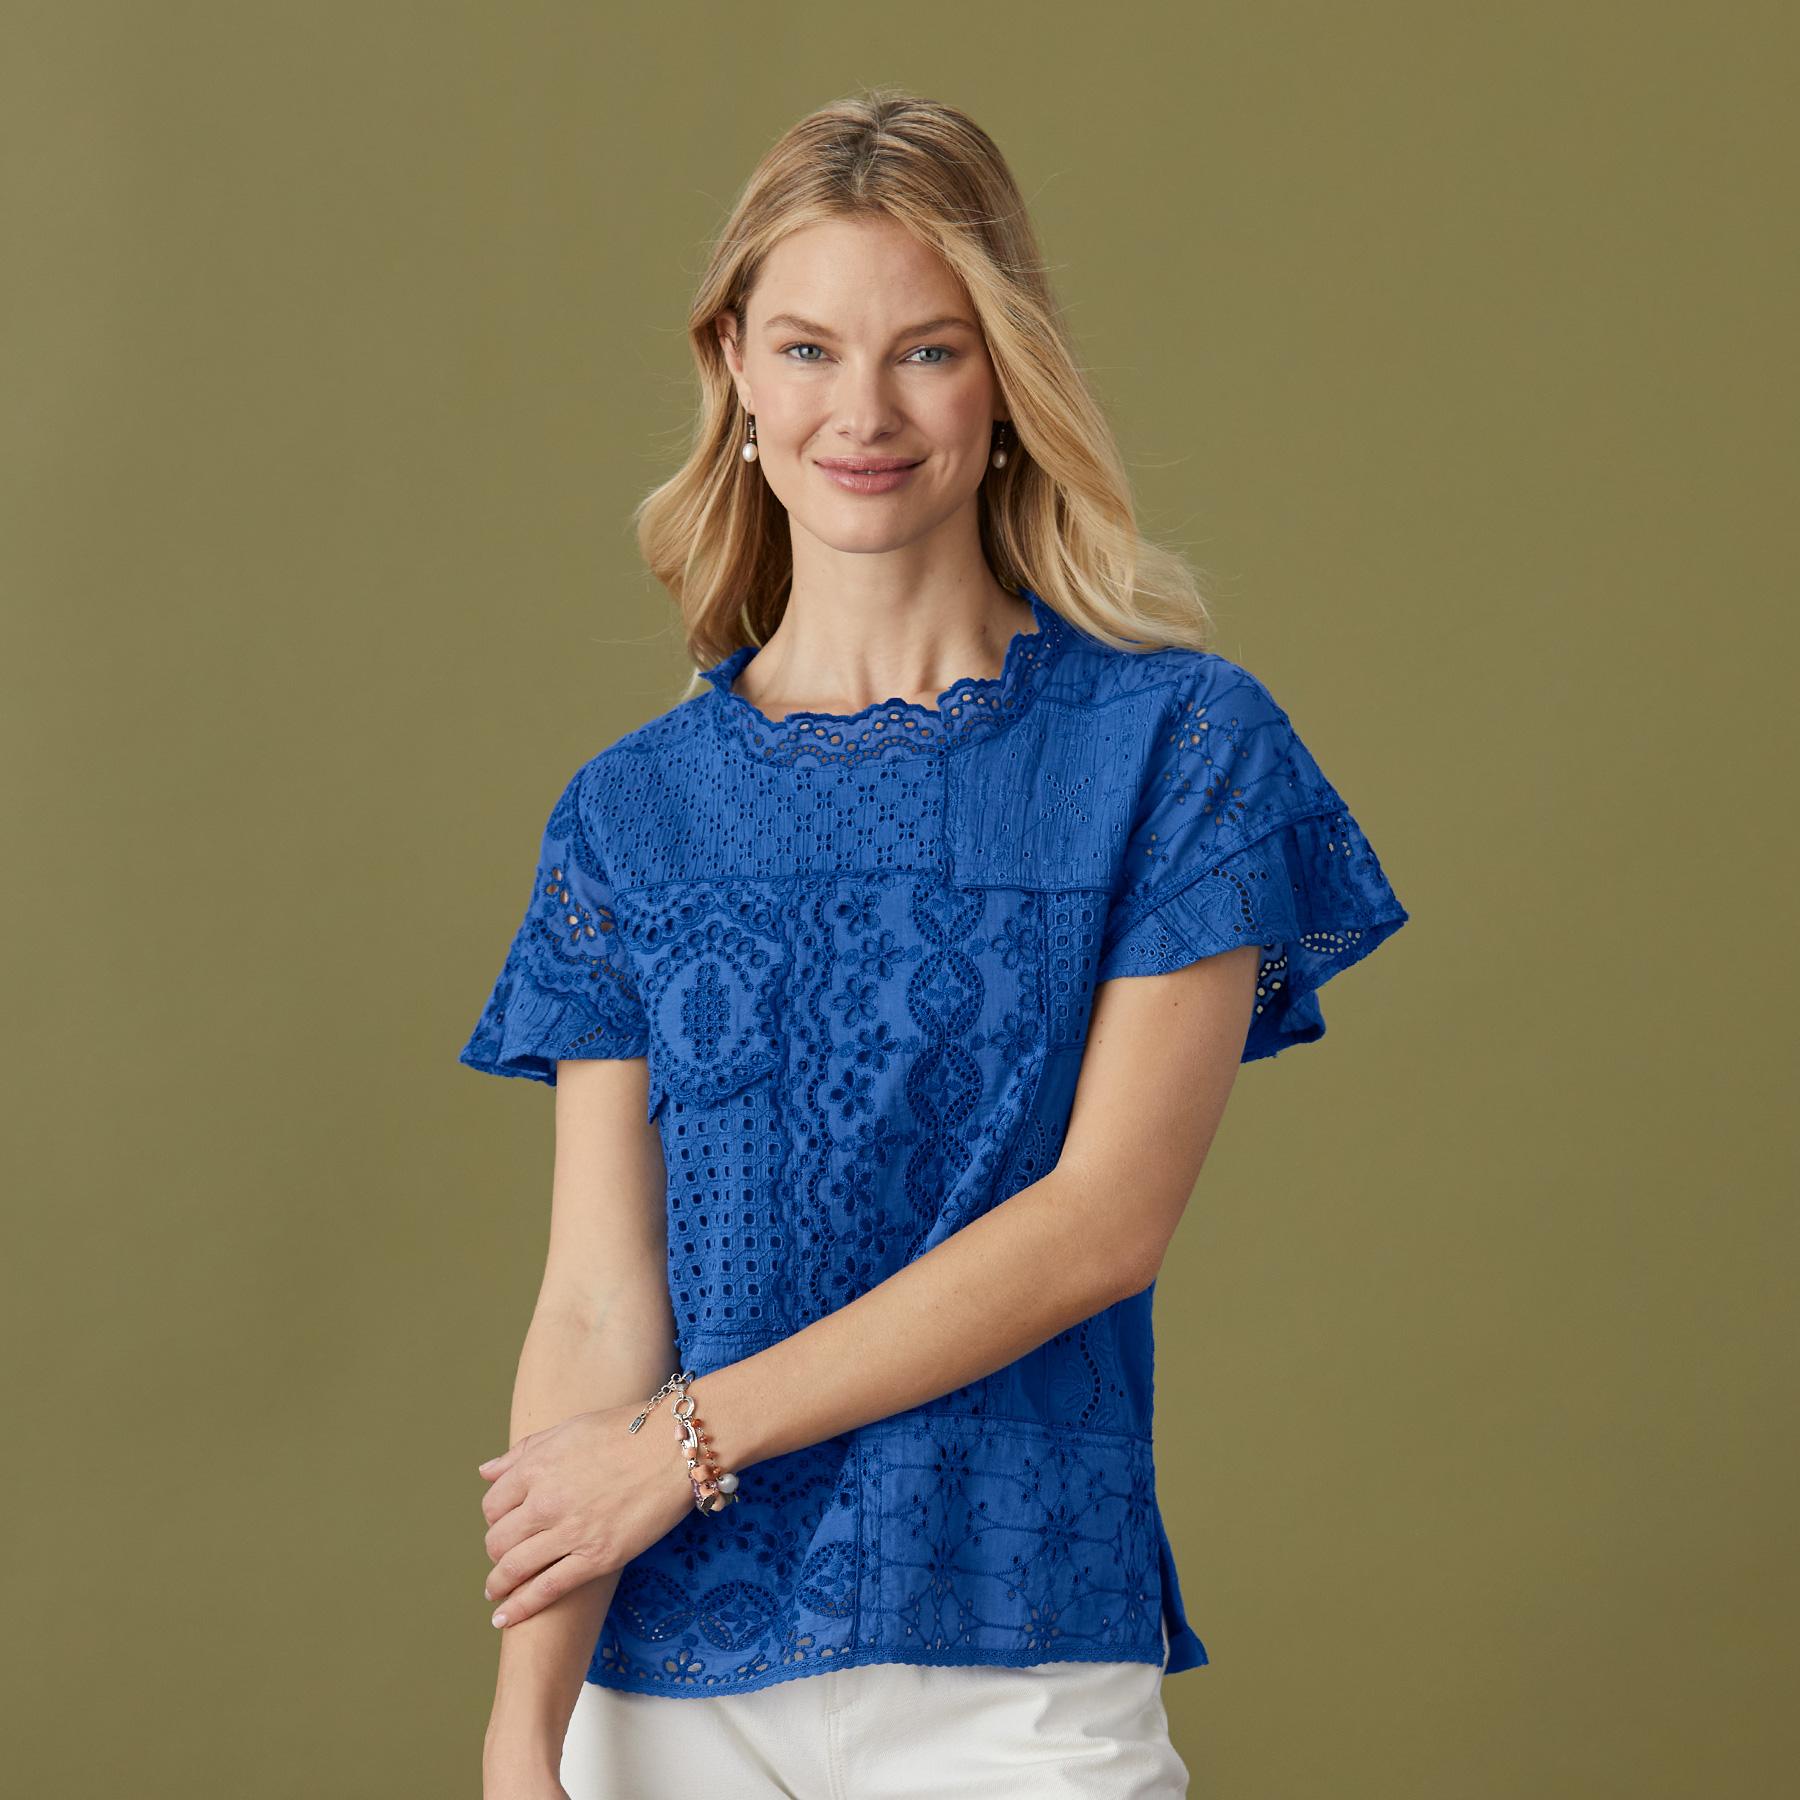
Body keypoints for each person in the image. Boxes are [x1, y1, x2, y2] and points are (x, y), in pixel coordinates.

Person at [459, 87, 1409, 1799]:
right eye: (809, 349)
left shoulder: (1177, 751)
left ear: (1006, 377)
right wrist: (523, 1734)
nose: (864, 412)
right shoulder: (629, 816)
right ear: (736, 370)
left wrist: (684, 1444)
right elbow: (598, 1299)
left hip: (1016, 1638)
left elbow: (1101, 1225)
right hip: (667, 1677)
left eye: (929, 351)